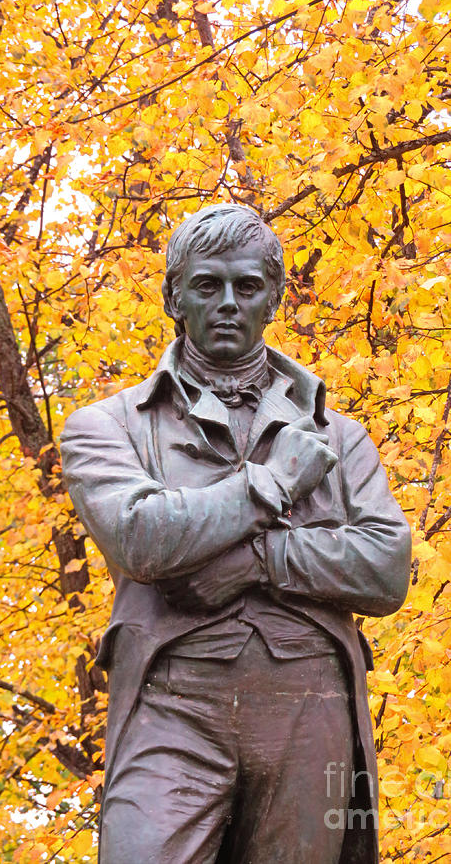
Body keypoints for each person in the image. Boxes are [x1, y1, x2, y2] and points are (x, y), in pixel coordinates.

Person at [60, 204, 411, 864]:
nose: (227, 303)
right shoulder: (107, 427)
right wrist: (272, 484)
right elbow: (141, 538)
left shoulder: (339, 436)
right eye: (206, 285)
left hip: (310, 705)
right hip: (174, 704)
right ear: (173, 296)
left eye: (247, 287)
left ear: (274, 297)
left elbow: (386, 567)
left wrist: (260, 558)